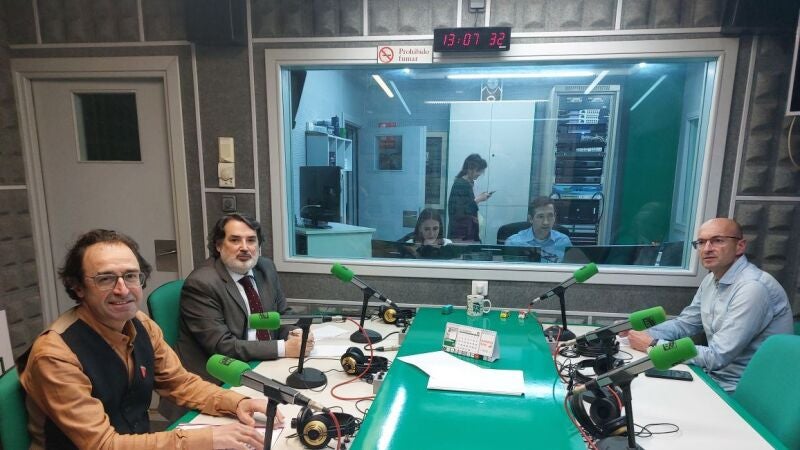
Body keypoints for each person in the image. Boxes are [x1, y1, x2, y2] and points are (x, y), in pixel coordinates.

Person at [18, 229, 273, 449]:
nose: (122, 290)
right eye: (105, 279)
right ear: (78, 287)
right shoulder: (56, 354)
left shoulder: (140, 324)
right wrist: (206, 439)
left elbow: (179, 383)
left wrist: (237, 402)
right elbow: (102, 445)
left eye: (130, 276)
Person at [626, 218, 793, 392]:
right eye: (701, 242)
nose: (707, 249)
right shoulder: (710, 280)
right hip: (712, 377)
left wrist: (653, 345)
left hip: (742, 392)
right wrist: (640, 332)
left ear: (740, 246)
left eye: (717, 240)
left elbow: (717, 356)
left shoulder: (752, 288)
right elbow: (685, 324)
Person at [177, 214, 312, 383]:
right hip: (222, 376)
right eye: (235, 240)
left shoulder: (265, 268)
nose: (245, 248)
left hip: (265, 363)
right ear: (218, 245)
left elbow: (283, 315)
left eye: (251, 240)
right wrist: (283, 348)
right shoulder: (201, 284)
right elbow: (222, 346)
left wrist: (296, 334)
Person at [505, 197, 573, 263]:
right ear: (530, 219)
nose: (546, 222)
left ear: (554, 217)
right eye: (540, 217)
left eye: (550, 216)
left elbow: (570, 268)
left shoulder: (563, 241)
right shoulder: (514, 242)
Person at [447, 154, 492, 243]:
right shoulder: (460, 184)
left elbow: (466, 206)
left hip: (466, 233)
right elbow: (459, 212)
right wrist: (478, 199)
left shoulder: (466, 183)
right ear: (470, 169)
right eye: (478, 171)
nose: (480, 174)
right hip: (460, 235)